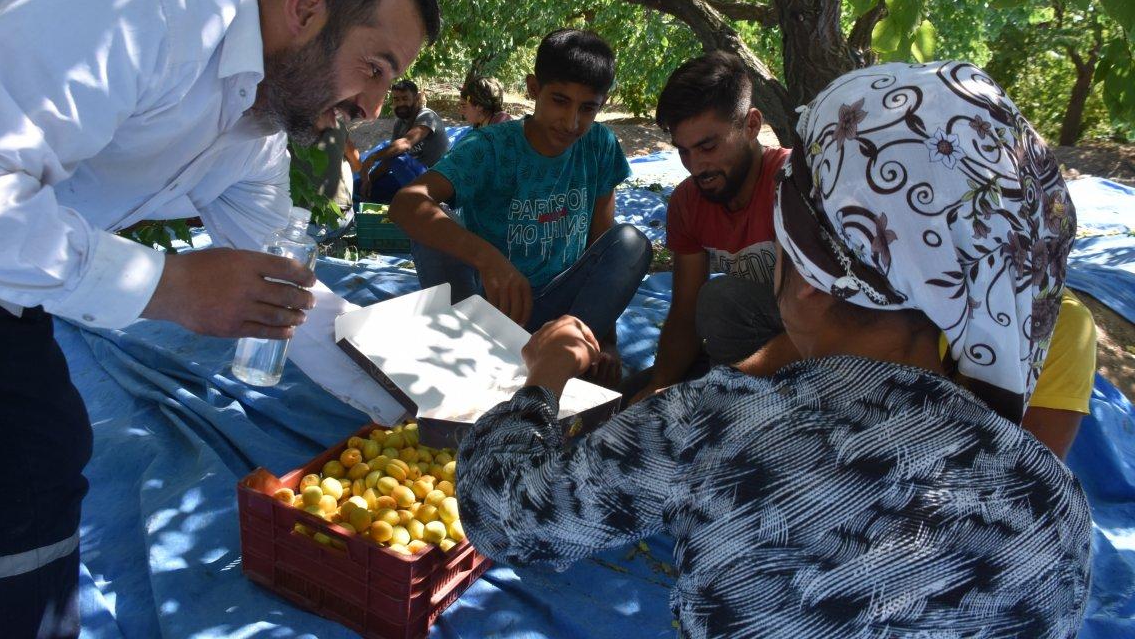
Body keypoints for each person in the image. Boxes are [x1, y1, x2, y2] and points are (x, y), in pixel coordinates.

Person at [455, 61, 1091, 638]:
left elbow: (506, 514)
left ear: (810, 280)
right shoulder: (1055, 506)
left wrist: (539, 385)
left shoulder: (715, 427)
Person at [0, 0, 438, 637]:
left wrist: (420, 404)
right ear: (305, 9)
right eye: (375, 68)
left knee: (37, 458)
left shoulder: (251, 136)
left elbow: (289, 300)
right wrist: (170, 286)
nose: (371, 108)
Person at [631, 52, 1096, 458]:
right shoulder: (884, 275)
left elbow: (1024, 486)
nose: (808, 282)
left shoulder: (1060, 331)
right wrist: (712, 396)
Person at [389, 29, 651, 386]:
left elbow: (601, 244)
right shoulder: (490, 148)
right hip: (493, 311)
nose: (572, 122)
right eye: (560, 100)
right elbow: (406, 204)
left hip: (562, 317)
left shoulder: (599, 145)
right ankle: (488, 355)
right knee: (432, 228)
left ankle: (566, 356)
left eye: (588, 108)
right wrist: (489, 259)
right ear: (532, 88)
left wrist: (605, 339)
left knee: (631, 242)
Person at [626, 51, 790, 401]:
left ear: (751, 125)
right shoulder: (688, 202)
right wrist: (659, 387)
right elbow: (685, 312)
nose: (696, 166)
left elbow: (830, 326)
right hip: (744, 345)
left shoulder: (794, 187)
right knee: (630, 396)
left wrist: (719, 389)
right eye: (683, 152)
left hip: (818, 346)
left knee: (720, 301)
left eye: (708, 146)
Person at [358, 80, 449, 202]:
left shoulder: (427, 116)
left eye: (405, 98)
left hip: (437, 180)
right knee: (361, 187)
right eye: (396, 99)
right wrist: (368, 181)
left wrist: (372, 157)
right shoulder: (400, 124)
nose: (400, 103)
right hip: (413, 177)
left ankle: (426, 204)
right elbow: (386, 163)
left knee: (396, 158)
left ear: (416, 99)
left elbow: (406, 143)